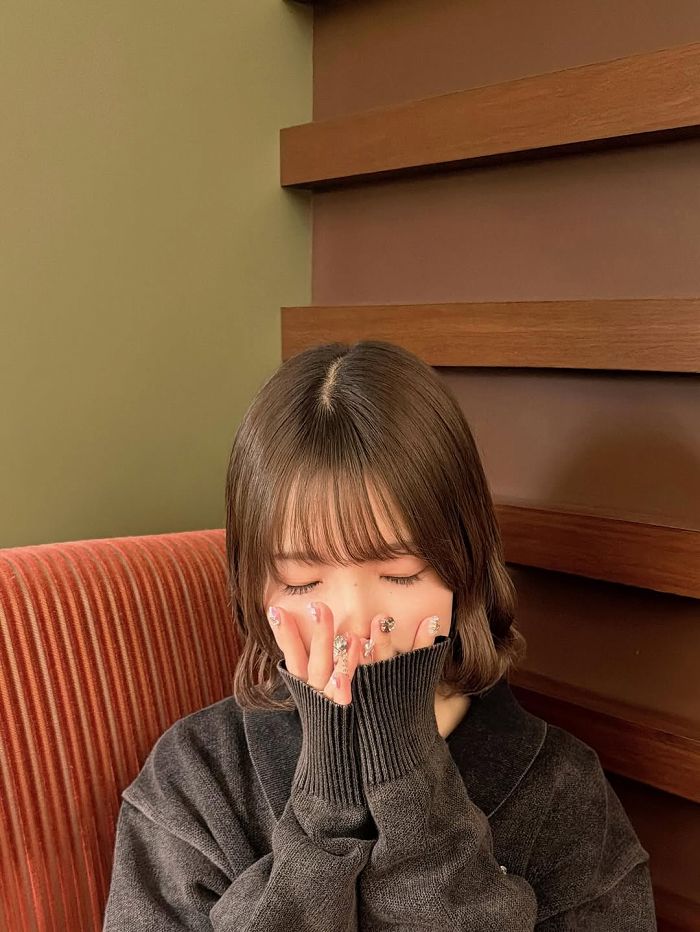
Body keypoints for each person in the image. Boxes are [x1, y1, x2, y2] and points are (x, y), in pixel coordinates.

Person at [102, 340, 657, 930]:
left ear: (463, 569)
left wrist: (412, 786)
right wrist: (323, 814)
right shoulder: (196, 778)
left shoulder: (562, 791)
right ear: (253, 588)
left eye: (400, 573)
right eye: (302, 580)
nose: (354, 621)